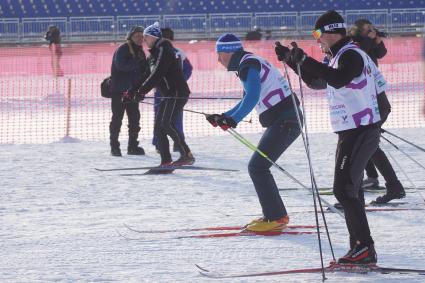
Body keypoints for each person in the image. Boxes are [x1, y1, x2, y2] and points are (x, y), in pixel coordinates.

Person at [275, 10, 380, 264]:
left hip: (360, 130)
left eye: (318, 34)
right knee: (348, 189)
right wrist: (292, 60)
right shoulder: (337, 56)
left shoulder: (351, 54)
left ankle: (364, 247)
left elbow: (339, 79)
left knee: (343, 190)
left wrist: (306, 59)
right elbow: (316, 82)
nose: (317, 39)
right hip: (351, 131)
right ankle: (361, 246)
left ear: (332, 32)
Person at [207, 33, 301, 232]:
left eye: (219, 54)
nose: (218, 59)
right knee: (258, 167)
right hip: (286, 119)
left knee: (257, 167)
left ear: (230, 52)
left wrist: (233, 119)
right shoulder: (248, 62)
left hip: (286, 121)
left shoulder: (247, 65)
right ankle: (275, 215)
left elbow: (252, 96)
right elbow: (246, 100)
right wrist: (223, 116)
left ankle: (276, 217)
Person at [349, 19, 405, 203]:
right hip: (367, 101)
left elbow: (380, 53)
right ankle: (376, 180)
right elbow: (359, 49)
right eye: (368, 30)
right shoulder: (354, 44)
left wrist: (377, 40)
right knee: (366, 144)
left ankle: (389, 185)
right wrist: (371, 39)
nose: (372, 32)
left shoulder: (366, 44)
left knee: (367, 145)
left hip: (374, 102)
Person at [127, 22, 194, 167]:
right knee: (159, 127)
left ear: (153, 37)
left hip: (177, 92)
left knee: (167, 124)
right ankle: (166, 160)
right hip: (168, 94)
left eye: (146, 38)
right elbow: (146, 74)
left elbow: (158, 73)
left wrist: (142, 91)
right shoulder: (154, 54)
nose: (144, 41)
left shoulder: (164, 48)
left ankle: (186, 154)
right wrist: (133, 90)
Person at [152, 27, 193, 153]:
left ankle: (165, 144)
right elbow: (188, 69)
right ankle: (167, 143)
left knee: (163, 117)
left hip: (165, 91)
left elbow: (188, 69)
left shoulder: (161, 52)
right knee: (173, 117)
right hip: (169, 91)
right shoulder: (175, 52)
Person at [109, 26, 148, 156]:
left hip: (132, 91)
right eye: (137, 35)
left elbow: (142, 71)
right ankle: (114, 147)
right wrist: (137, 62)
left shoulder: (140, 51)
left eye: (142, 36)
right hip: (119, 91)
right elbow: (121, 66)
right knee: (117, 119)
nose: (140, 38)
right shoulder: (123, 49)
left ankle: (132, 146)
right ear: (130, 36)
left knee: (134, 119)